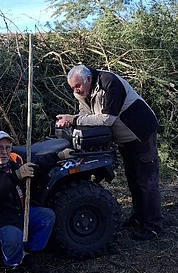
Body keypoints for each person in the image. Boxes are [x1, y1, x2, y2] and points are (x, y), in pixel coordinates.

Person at [56, 64, 163, 241]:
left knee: (146, 181)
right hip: (123, 138)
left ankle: (153, 225)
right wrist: (72, 122)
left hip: (141, 133)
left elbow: (106, 119)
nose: (76, 91)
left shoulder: (110, 82)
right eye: (73, 87)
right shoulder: (82, 91)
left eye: (78, 86)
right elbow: (86, 116)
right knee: (133, 179)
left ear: (88, 79)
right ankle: (139, 217)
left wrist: (73, 119)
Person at [0, 131, 72, 273]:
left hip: (16, 212)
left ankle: (26, 253)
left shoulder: (14, 159)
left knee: (46, 217)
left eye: (7, 147)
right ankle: (12, 267)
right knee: (13, 235)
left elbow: (35, 166)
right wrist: (16, 175)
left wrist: (59, 156)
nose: (4, 152)